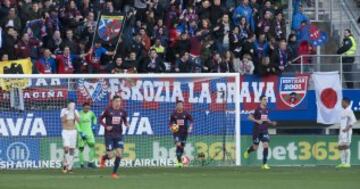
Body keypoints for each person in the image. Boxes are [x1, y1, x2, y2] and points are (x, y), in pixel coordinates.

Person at [99, 95, 129, 179]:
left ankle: (114, 173)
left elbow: (125, 120)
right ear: (112, 102)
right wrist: (106, 126)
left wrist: (127, 124)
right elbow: (100, 119)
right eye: (116, 101)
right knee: (111, 155)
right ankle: (104, 158)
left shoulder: (123, 111)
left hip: (119, 135)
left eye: (119, 101)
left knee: (120, 154)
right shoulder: (108, 110)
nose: (118, 103)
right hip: (109, 136)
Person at [243, 95, 277, 170]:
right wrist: (257, 121)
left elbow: (265, 118)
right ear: (260, 101)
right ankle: (248, 151)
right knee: (255, 148)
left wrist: (271, 122)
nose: (266, 101)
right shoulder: (256, 109)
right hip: (257, 131)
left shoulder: (266, 110)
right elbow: (249, 117)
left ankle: (264, 164)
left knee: (266, 145)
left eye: (266, 99)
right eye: (264, 99)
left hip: (264, 130)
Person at [169, 100, 193, 168]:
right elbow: (170, 122)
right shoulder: (173, 114)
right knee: (178, 144)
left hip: (184, 133)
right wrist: (171, 127)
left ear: (182, 106)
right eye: (178, 105)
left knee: (181, 147)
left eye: (181, 105)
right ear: (176, 106)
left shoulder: (186, 113)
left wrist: (190, 127)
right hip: (176, 133)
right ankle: (180, 161)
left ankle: (180, 161)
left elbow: (191, 120)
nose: (180, 106)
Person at [336, 98, 357, 168]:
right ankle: (343, 163)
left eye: (342, 102)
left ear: (346, 103)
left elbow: (353, 121)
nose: (341, 104)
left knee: (346, 146)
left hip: (347, 132)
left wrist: (347, 128)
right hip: (341, 132)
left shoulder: (349, 111)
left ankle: (348, 163)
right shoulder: (343, 111)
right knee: (340, 147)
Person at [60, 100, 80, 173]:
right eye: (71, 104)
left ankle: (70, 167)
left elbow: (78, 121)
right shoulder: (63, 110)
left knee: (72, 150)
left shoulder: (76, 111)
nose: (72, 106)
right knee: (66, 148)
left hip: (73, 132)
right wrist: (67, 112)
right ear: (68, 104)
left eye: (73, 105)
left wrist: (74, 112)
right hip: (66, 131)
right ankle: (65, 164)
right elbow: (63, 120)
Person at [76, 102, 97, 168]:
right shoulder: (79, 114)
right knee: (81, 149)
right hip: (82, 134)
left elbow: (95, 118)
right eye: (86, 108)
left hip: (90, 133)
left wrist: (94, 125)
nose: (87, 109)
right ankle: (82, 164)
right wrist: (80, 132)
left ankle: (91, 162)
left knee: (92, 146)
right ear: (83, 107)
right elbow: (76, 123)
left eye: (88, 108)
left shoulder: (91, 113)